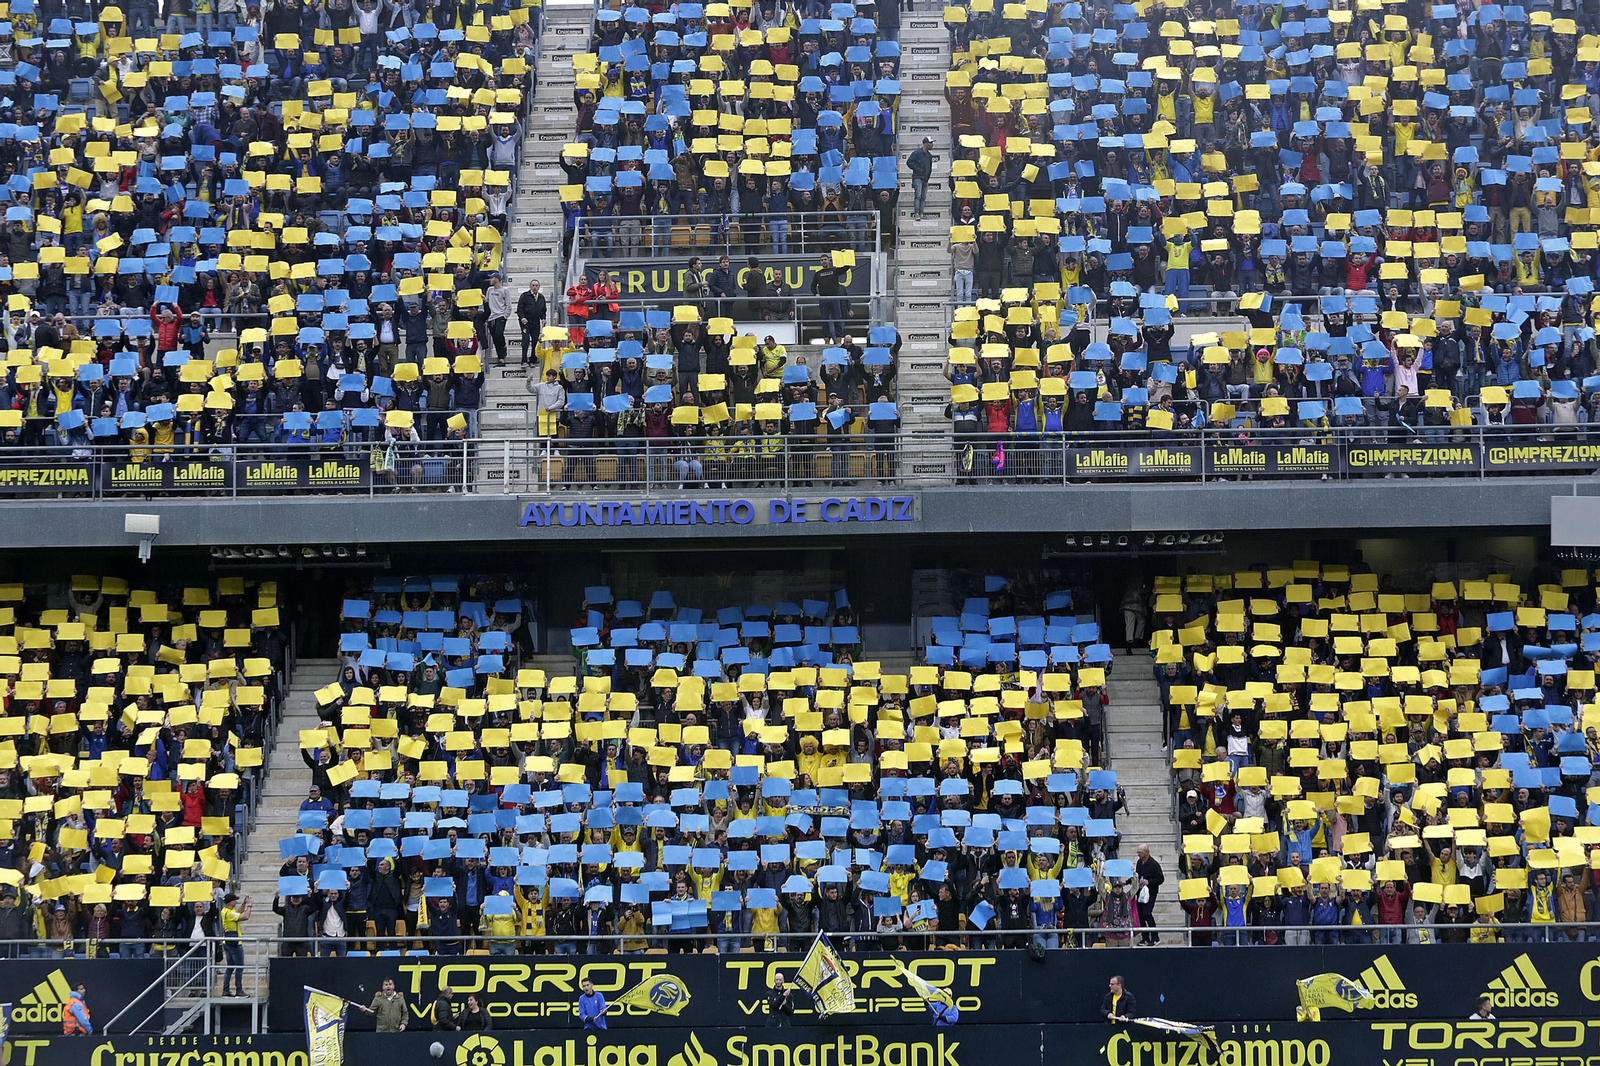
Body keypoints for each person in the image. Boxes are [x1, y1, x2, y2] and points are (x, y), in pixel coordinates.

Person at [219, 893, 252, 996]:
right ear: (230, 902)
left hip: (227, 942)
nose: (236, 902)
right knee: (239, 966)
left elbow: (238, 912)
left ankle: (226, 989)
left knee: (230, 966)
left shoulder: (225, 911)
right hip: (235, 943)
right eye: (235, 900)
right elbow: (245, 916)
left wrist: (243, 903)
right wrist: (249, 906)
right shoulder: (230, 913)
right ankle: (239, 990)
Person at [1134, 846, 1164, 945]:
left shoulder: (1154, 864)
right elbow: (1137, 876)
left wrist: (1149, 882)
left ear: (1146, 852)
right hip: (1140, 893)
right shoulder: (1139, 863)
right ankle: (1145, 938)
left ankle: (1155, 937)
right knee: (1140, 915)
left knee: (1147, 913)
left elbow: (1160, 879)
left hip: (1150, 893)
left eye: (1140, 852)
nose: (1138, 854)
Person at [517, 281, 547, 367]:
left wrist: (543, 318)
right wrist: (522, 317)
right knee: (525, 341)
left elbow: (543, 310)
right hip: (525, 322)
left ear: (539, 287)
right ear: (530, 286)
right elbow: (520, 309)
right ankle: (524, 360)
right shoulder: (524, 296)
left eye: (536, 285)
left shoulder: (541, 297)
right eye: (533, 285)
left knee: (535, 341)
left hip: (536, 322)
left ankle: (533, 360)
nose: (534, 287)